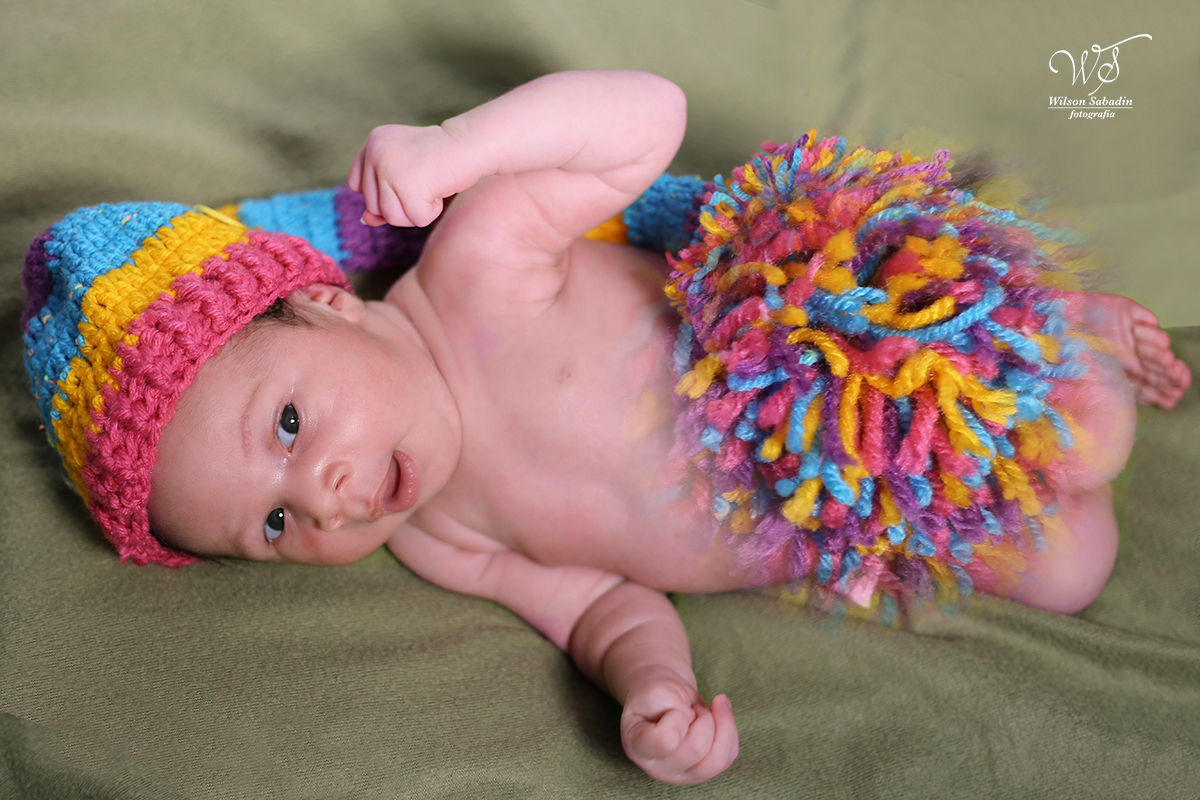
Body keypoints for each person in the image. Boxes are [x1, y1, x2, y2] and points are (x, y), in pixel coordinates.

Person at [20, 71, 1191, 785]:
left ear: (327, 297)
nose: (322, 492)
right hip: (841, 510)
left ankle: (1063, 328)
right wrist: (648, 687)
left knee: (1089, 437)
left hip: (851, 370)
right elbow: (594, 603)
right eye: (273, 522)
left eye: (286, 421)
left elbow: (644, 122)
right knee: (1071, 567)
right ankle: (1015, 422)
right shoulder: (435, 538)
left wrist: (458, 150)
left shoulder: (477, 266)